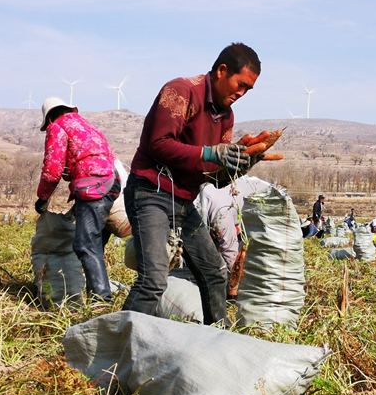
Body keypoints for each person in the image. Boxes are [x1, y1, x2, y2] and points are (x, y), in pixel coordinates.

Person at [120, 43, 260, 325]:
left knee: (215, 273)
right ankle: (114, 347)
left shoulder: (226, 117)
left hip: (184, 201)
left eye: (248, 89)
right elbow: (158, 143)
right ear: (222, 71)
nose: (241, 94)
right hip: (151, 192)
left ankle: (217, 336)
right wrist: (209, 152)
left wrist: (240, 165)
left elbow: (213, 179)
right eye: (240, 84)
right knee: (154, 280)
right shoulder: (181, 91)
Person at [35, 98, 119, 303]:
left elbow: (52, 169)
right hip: (112, 182)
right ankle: (98, 294)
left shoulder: (58, 127)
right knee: (95, 245)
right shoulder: (87, 125)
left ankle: (101, 301)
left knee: (85, 245)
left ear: (50, 118)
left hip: (93, 186)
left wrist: (42, 197)